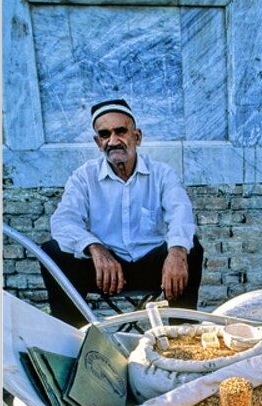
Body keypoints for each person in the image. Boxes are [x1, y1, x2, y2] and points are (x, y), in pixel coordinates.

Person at [41, 98, 203, 327]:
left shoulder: (162, 174)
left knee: (190, 248)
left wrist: (176, 251)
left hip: (153, 268)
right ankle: (72, 342)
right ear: (98, 142)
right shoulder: (84, 177)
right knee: (53, 251)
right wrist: (95, 248)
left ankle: (183, 338)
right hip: (104, 273)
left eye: (120, 132)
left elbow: (181, 214)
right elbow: (63, 221)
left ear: (136, 137)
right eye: (105, 134)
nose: (113, 141)